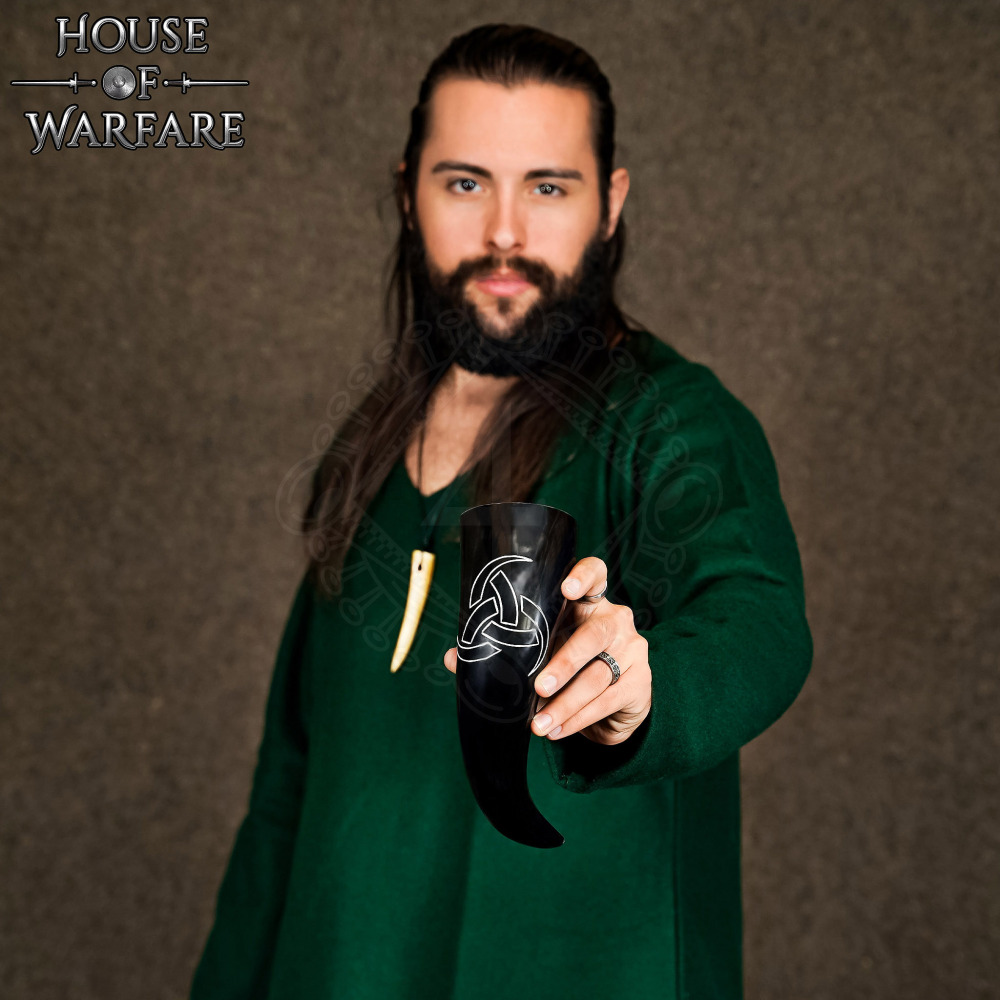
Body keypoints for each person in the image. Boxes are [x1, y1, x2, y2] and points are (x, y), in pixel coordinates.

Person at [189, 22, 813, 1000]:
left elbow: (758, 619)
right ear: (410, 193)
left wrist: (641, 690)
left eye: (548, 187)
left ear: (609, 204)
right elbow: (285, 794)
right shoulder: (368, 444)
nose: (506, 233)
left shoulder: (674, 423)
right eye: (466, 183)